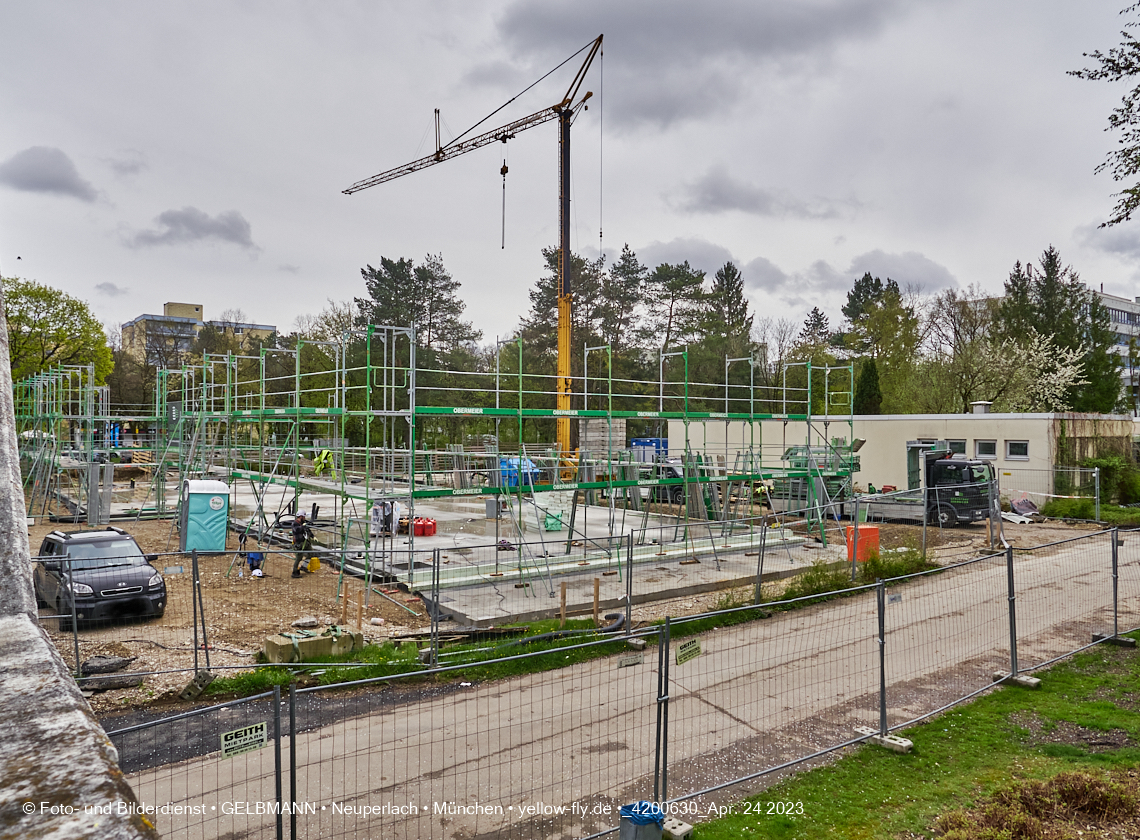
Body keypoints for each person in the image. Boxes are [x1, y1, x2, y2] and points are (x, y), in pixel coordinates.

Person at [291, 513, 314, 578]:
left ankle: (304, 566)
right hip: (298, 543)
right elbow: (296, 530)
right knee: (299, 557)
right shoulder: (295, 523)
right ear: (301, 516)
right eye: (304, 516)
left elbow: (308, 530)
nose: (304, 518)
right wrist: (303, 527)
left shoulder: (303, 523)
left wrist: (312, 536)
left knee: (311, 553)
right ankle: (294, 572)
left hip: (305, 542)